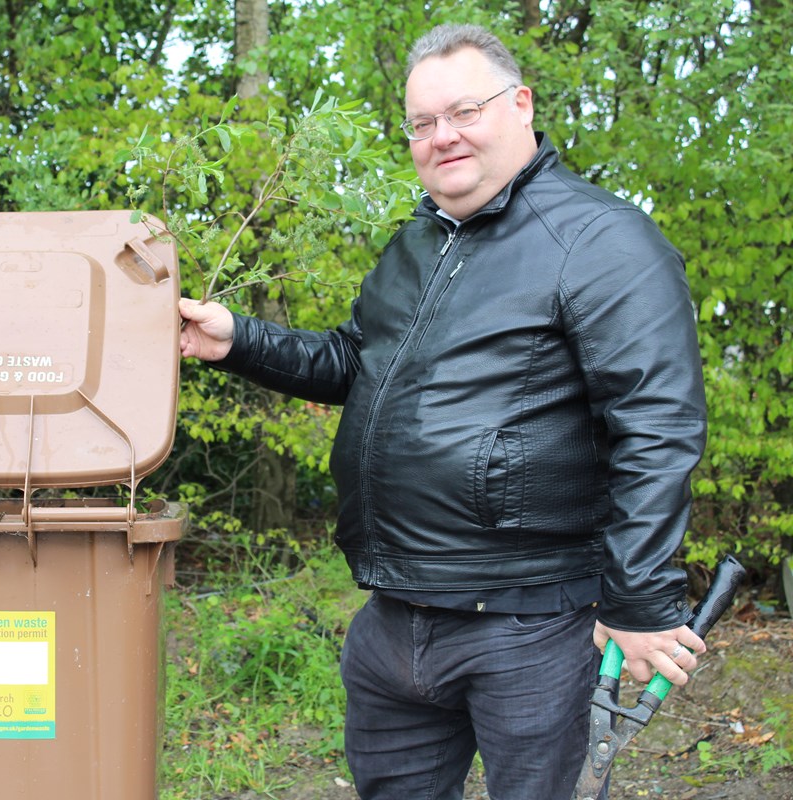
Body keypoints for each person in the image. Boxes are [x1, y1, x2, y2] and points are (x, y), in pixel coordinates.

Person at [177, 23, 708, 800]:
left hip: (533, 626)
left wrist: (639, 603)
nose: (442, 137)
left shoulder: (601, 241)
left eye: (464, 112)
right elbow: (358, 364)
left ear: (521, 104)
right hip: (395, 618)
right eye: (422, 123)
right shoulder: (418, 243)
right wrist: (239, 341)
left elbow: (657, 427)